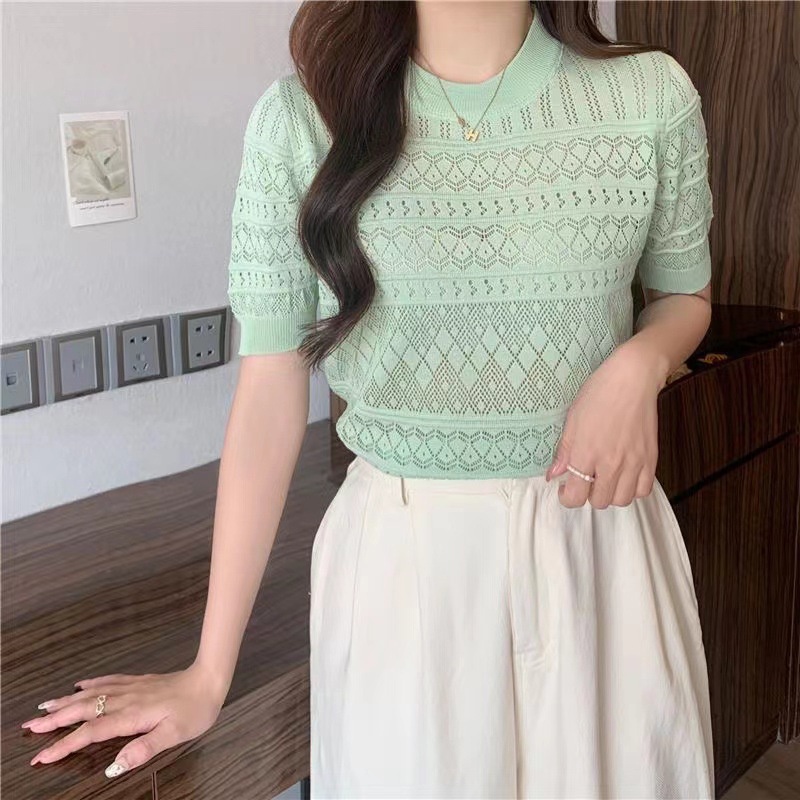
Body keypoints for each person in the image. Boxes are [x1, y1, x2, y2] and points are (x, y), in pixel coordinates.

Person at [23, 1, 715, 797]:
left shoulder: (650, 97)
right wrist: (208, 671)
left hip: (601, 549)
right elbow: (269, 393)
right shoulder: (299, 122)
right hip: (403, 572)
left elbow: (684, 296)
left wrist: (640, 363)